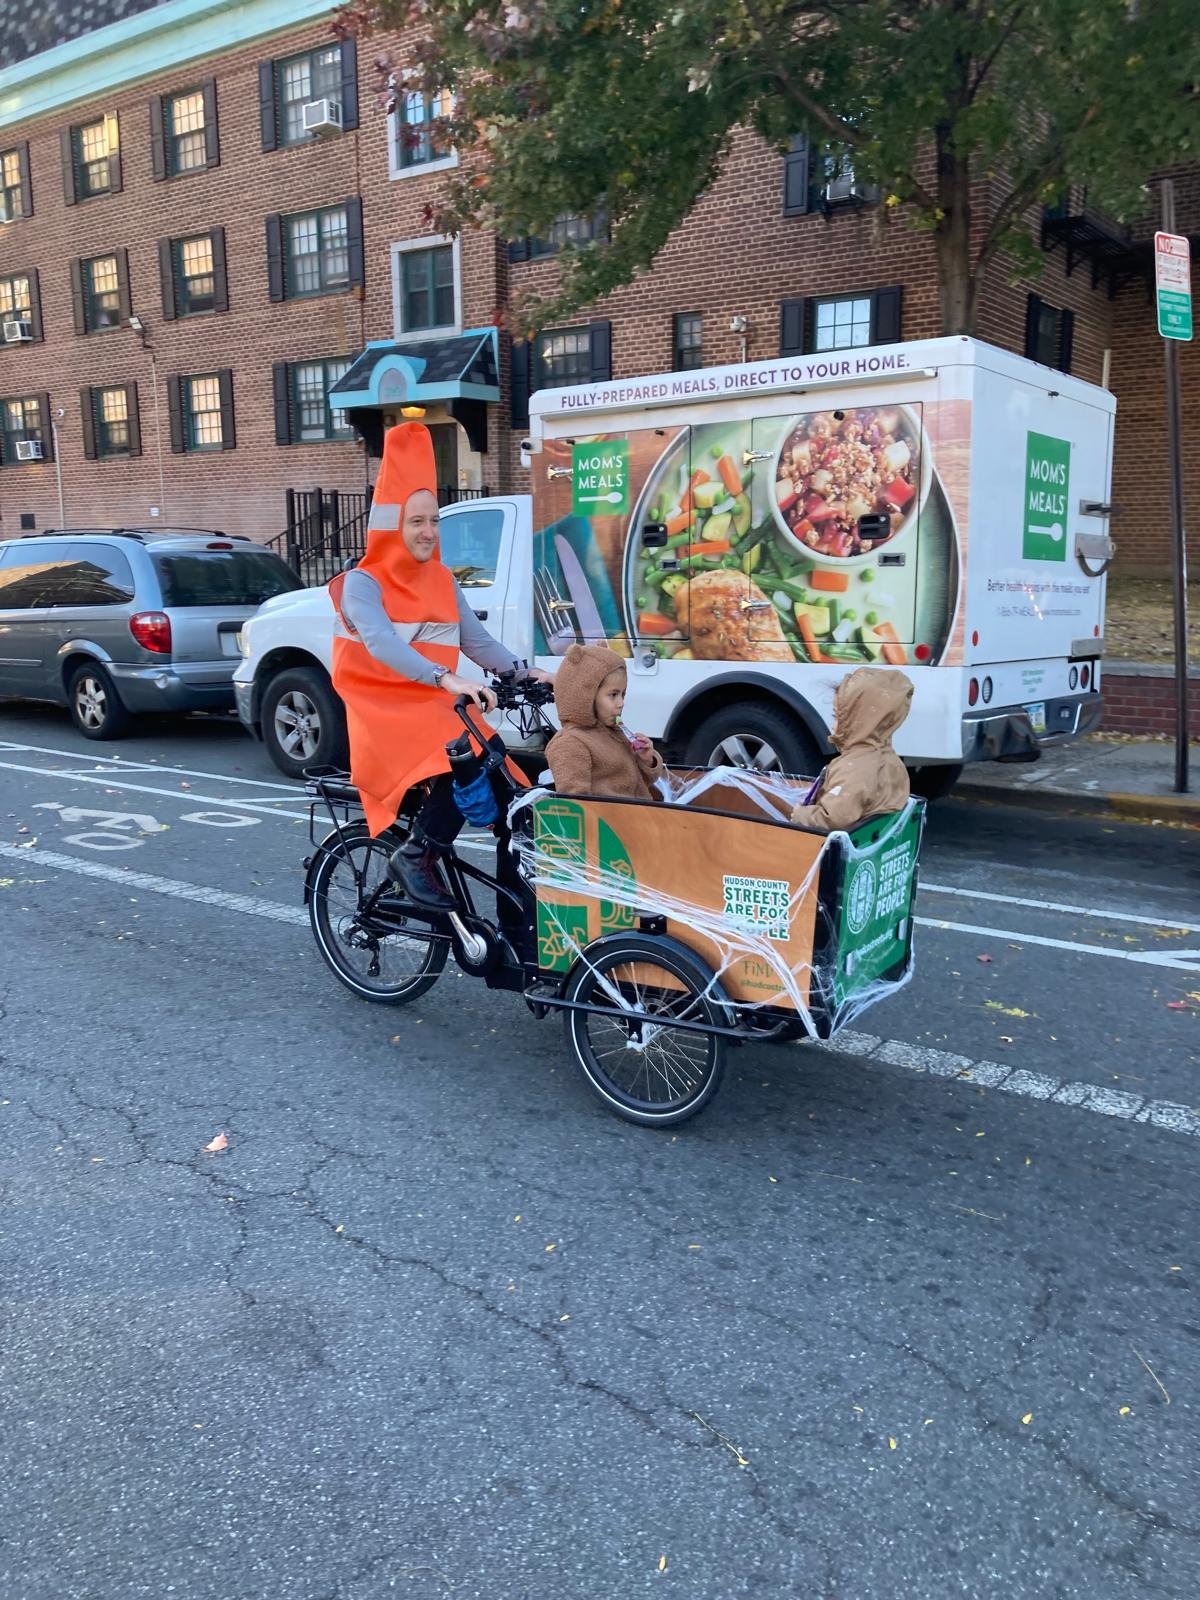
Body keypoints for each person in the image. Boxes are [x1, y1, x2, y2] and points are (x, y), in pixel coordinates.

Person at [329, 421, 548, 909]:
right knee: (460, 762)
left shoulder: (442, 579)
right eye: (416, 522)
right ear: (393, 526)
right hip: (384, 714)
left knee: (516, 802)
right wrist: (445, 677)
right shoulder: (362, 583)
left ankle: (518, 926)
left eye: (434, 520)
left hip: (436, 708)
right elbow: (382, 643)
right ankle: (415, 856)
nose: (429, 532)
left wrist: (524, 673)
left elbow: (476, 640)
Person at [789, 666, 913, 833]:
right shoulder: (889, 760)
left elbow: (833, 819)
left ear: (858, 721)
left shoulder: (855, 769)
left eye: (837, 717)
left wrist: (801, 815)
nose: (833, 726)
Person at [545, 644, 665, 800]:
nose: (621, 703)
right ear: (586, 696)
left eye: (623, 694)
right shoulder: (570, 743)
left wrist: (646, 760)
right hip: (610, 816)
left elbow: (641, 783)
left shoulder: (616, 733)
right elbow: (575, 802)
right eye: (613, 695)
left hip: (641, 812)